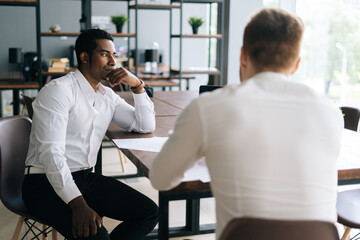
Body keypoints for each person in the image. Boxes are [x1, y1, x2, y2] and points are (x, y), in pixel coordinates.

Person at [149, 8, 344, 239]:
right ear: (296, 64)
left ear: (243, 55)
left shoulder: (208, 107)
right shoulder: (330, 111)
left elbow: (160, 178)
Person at [22, 29, 158, 240]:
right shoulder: (59, 91)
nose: (113, 62)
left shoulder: (106, 95)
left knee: (149, 212)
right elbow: (51, 155)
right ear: (84, 57)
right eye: (105, 54)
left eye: (115, 55)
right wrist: (78, 204)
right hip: (44, 182)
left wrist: (138, 86)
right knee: (97, 236)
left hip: (84, 177)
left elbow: (144, 125)